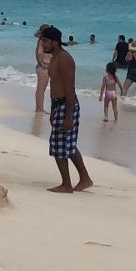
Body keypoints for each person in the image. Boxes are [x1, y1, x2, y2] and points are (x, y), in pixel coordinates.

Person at [41, 25, 93, 193]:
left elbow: (70, 88)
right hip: (59, 104)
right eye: (42, 41)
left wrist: (68, 116)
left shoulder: (64, 59)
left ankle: (66, 184)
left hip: (67, 104)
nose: (43, 44)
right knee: (67, 145)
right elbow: (55, 85)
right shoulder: (55, 57)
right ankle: (85, 178)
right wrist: (53, 109)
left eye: (46, 41)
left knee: (59, 146)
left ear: (55, 42)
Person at [34, 24, 52, 113]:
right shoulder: (42, 41)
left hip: (42, 66)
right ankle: (39, 109)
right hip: (43, 67)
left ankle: (39, 108)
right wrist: (43, 64)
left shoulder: (41, 40)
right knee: (41, 89)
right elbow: (39, 53)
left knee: (41, 89)